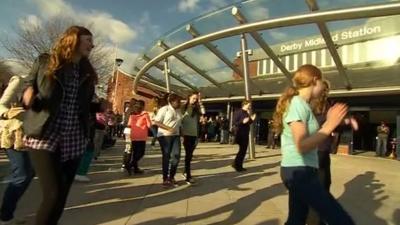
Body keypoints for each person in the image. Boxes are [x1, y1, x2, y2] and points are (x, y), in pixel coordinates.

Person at [22, 26, 96, 225]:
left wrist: (99, 106)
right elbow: (29, 83)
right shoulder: (46, 61)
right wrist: (28, 93)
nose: (92, 45)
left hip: (74, 136)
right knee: (53, 192)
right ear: (74, 39)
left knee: (62, 194)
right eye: (88, 40)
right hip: (45, 133)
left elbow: (85, 104)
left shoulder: (86, 72)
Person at [273, 64, 354, 225]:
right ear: (315, 80)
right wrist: (330, 124)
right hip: (298, 171)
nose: (323, 89)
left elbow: (311, 138)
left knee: (297, 219)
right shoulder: (297, 104)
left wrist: (330, 122)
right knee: (338, 217)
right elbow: (301, 145)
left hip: (302, 170)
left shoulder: (304, 106)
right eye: (322, 83)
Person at [0, 73, 34, 224]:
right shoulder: (19, 81)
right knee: (22, 174)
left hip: (29, 136)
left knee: (29, 173)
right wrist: (7, 112)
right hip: (13, 135)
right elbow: (2, 103)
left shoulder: (47, 85)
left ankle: (7, 213)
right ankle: (5, 217)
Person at [153, 93, 183, 187]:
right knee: (166, 156)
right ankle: (165, 178)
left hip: (176, 136)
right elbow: (156, 122)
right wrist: (168, 128)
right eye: (178, 101)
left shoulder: (178, 110)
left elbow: (179, 124)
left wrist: (182, 134)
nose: (180, 103)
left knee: (176, 155)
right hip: (165, 136)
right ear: (172, 101)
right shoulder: (164, 109)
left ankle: (172, 176)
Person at [181, 92, 205, 184]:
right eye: (194, 98)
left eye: (196, 99)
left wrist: (200, 103)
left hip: (195, 134)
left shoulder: (196, 108)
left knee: (190, 155)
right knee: (188, 155)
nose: (195, 100)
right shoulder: (184, 107)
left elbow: (202, 113)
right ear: (189, 97)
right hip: (186, 134)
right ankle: (188, 176)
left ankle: (185, 172)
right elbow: (182, 119)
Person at [126, 100, 151, 175]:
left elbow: (129, 125)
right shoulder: (145, 114)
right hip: (141, 136)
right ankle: (130, 165)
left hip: (133, 135)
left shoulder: (132, 114)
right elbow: (149, 125)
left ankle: (136, 169)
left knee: (135, 153)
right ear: (143, 106)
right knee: (141, 153)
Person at [232, 100, 256, 172]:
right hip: (240, 133)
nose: (250, 106)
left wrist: (252, 120)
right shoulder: (238, 112)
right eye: (249, 105)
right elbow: (234, 122)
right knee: (242, 150)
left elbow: (247, 122)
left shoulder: (246, 113)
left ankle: (237, 164)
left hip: (245, 133)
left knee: (243, 151)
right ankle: (238, 166)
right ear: (244, 104)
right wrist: (242, 121)